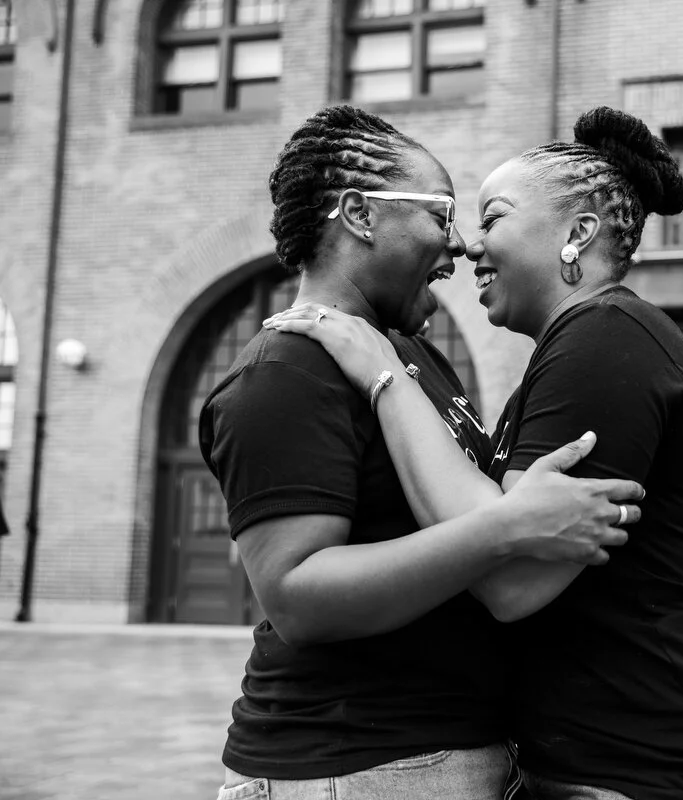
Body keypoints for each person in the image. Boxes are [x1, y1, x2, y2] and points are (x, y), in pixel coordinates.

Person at [266, 106, 683, 800]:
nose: (470, 247)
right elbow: (499, 533)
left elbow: (510, 582)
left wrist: (385, 377)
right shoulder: (574, 348)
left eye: (492, 218)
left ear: (577, 233)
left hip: (665, 763)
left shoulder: (607, 338)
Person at [202, 105, 646, 800]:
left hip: (446, 754)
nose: (462, 244)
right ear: (359, 214)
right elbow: (297, 597)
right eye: (442, 215)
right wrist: (502, 529)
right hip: (352, 765)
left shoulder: (409, 359)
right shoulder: (286, 371)